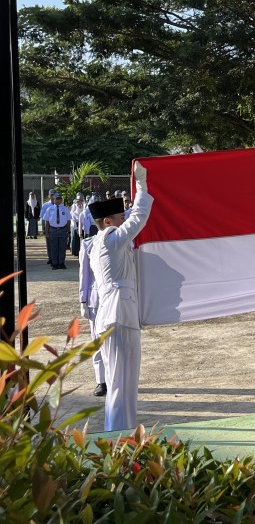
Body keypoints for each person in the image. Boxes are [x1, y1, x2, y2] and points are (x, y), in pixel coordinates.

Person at [89, 162, 153, 431]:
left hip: (115, 315)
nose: (124, 220)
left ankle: (122, 432)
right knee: (120, 383)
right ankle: (117, 435)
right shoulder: (109, 237)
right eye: (119, 217)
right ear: (107, 222)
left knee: (123, 383)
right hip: (119, 316)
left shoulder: (97, 244)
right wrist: (142, 185)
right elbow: (139, 218)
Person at [78, 234, 106, 396]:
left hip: (119, 299)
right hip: (96, 300)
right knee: (97, 341)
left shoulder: (127, 241)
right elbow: (85, 274)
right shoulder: (89, 244)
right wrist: (83, 300)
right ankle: (101, 380)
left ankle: (118, 379)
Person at [43, 191, 71, 270]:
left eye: (59, 199)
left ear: (61, 200)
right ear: (53, 199)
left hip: (63, 230)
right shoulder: (49, 209)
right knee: (53, 247)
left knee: (62, 247)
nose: (58, 200)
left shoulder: (65, 209)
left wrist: (68, 231)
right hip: (53, 230)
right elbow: (47, 221)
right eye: (56, 199)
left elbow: (68, 221)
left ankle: (61, 263)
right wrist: (47, 232)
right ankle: (55, 263)